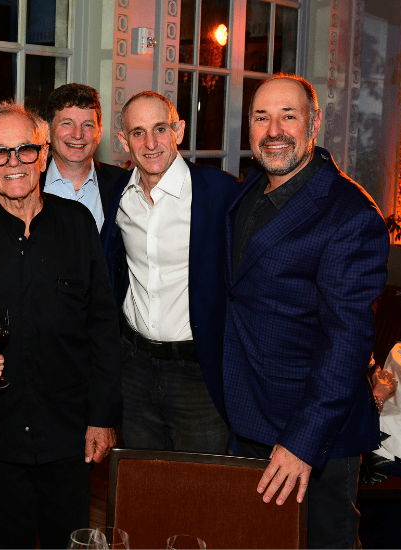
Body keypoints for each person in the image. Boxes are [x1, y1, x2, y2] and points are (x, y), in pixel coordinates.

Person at [0, 101, 122, 550]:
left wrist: (102, 417)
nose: (13, 163)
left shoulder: (78, 224)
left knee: (67, 540)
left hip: (71, 432)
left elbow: (104, 328)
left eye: (25, 150)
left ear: (44, 154)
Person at [225, 74, 389, 550]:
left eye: (288, 116)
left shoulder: (350, 215)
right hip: (249, 420)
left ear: (314, 123)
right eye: (261, 117)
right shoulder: (250, 190)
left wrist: (302, 441)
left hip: (313, 437)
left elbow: (347, 346)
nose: (274, 129)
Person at [103, 91, 237, 453]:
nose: (150, 143)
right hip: (133, 368)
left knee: (200, 491)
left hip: (198, 373)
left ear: (178, 129)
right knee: (143, 488)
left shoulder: (219, 193)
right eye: (138, 132)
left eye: (160, 129)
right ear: (122, 141)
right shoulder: (117, 193)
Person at [40, 83, 126, 232]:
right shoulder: (28, 184)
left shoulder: (123, 185)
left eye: (87, 125)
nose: (77, 134)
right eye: (67, 123)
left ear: (99, 133)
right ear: (47, 132)